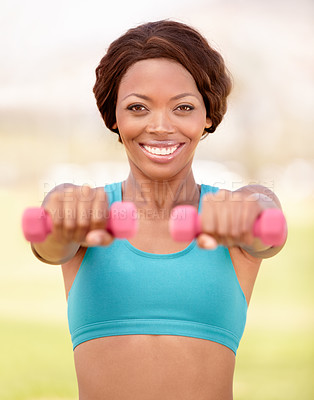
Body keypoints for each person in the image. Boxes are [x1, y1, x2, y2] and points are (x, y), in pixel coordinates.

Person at [31, 20, 286, 400]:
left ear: (208, 116)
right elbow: (51, 241)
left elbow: (269, 229)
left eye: (183, 107)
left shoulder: (237, 207)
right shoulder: (86, 210)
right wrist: (58, 226)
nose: (161, 126)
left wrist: (252, 219)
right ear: (114, 116)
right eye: (138, 107)